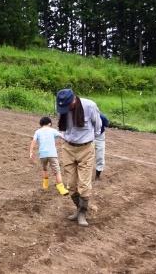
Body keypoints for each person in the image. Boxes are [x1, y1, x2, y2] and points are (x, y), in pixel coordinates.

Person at [56, 89, 101, 227]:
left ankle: (82, 212)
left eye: (67, 106)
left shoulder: (90, 106)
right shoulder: (62, 106)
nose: (64, 110)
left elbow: (98, 127)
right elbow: (63, 126)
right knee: (71, 184)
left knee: (84, 184)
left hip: (85, 149)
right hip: (68, 148)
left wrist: (90, 142)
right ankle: (78, 208)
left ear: (74, 100)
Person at [29, 117, 69, 196]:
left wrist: (31, 152)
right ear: (49, 123)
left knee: (45, 169)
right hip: (52, 154)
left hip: (42, 155)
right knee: (57, 171)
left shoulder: (37, 131)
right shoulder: (53, 130)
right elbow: (63, 136)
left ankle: (45, 185)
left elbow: (33, 141)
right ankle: (61, 188)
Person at [95, 113, 109, 180]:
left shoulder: (102, 117)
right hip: (88, 135)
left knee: (100, 156)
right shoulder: (85, 115)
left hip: (99, 137)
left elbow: (107, 124)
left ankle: (97, 175)